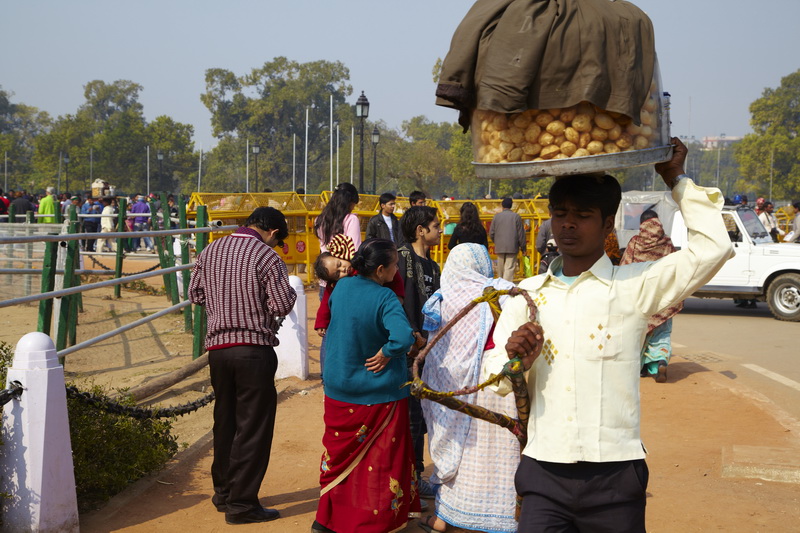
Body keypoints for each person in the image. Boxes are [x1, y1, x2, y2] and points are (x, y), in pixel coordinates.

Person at [481, 138, 732, 532]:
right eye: (560, 213)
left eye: (582, 215)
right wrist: (515, 361)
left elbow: (713, 249)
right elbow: (492, 378)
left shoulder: (634, 285)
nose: (568, 224)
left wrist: (676, 178)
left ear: (607, 223)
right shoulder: (527, 296)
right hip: (544, 474)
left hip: (616, 476)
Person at [188, 206, 296, 525]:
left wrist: (224, 305)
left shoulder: (211, 249)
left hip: (219, 350)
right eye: (277, 241)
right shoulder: (266, 256)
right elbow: (281, 304)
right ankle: (242, 504)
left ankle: (223, 493)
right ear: (273, 233)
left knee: (226, 421)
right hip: (253, 349)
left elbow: (195, 294)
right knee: (253, 428)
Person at [313, 239, 420, 533]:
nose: (397, 271)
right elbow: (403, 337)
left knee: (338, 457)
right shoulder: (385, 299)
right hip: (379, 393)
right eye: (395, 266)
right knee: (382, 460)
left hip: (338, 387)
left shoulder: (341, 288)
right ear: (382, 269)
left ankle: (326, 518)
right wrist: (387, 352)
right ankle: (374, 522)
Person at [418, 243, 519, 533]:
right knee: (501, 452)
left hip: (457, 395)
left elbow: (437, 355)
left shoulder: (441, 297)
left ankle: (443, 519)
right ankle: (506, 516)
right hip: (499, 385)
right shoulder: (501, 288)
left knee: (461, 453)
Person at [397, 205, 443, 501]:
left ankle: (415, 476)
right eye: (436, 226)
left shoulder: (435, 266)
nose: (440, 230)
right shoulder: (401, 259)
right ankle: (411, 479)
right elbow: (395, 300)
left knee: (423, 417)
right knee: (410, 417)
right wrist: (410, 337)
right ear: (420, 231)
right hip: (405, 350)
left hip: (428, 351)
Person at [620, 209, 683, 383]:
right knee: (661, 332)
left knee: (639, 332)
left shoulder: (635, 242)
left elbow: (625, 267)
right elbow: (675, 268)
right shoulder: (666, 243)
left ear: (642, 224)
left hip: (640, 297)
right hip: (662, 298)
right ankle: (660, 361)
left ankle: (641, 367)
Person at [490, 197, 527, 282]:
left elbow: (491, 233)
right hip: (512, 247)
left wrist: (496, 241)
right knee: (509, 268)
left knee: (500, 269)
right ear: (511, 206)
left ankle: (500, 284)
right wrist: (523, 248)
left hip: (499, 247)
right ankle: (506, 287)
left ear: (502, 206)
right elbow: (521, 234)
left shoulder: (496, 217)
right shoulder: (516, 217)